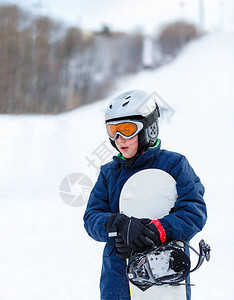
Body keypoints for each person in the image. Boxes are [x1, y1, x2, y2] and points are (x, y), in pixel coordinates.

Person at [83, 90, 207, 300]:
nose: (119, 138)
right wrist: (118, 224)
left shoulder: (175, 165)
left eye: (127, 129)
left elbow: (194, 212)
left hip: (164, 272)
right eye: (113, 130)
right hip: (117, 276)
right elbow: (91, 218)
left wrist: (156, 231)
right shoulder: (109, 173)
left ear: (149, 129)